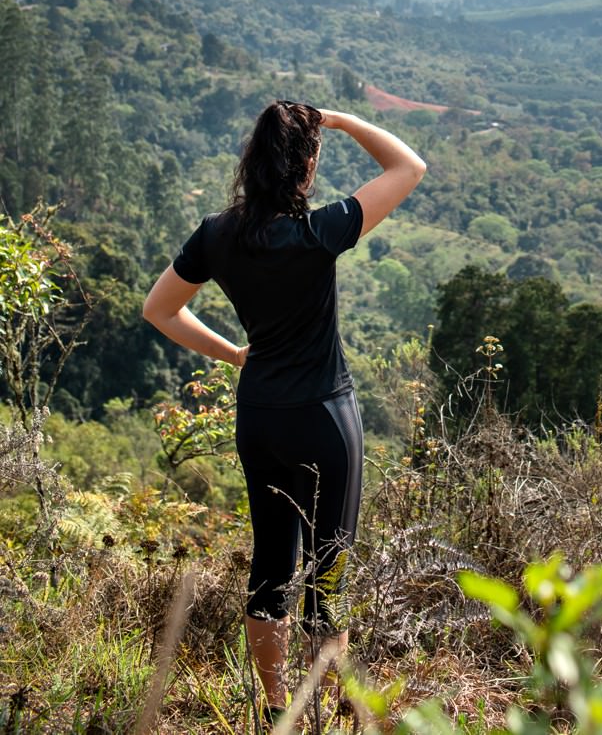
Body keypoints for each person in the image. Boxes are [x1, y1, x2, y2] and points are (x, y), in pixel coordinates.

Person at [142, 100, 426, 725]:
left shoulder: (217, 234)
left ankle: (278, 711)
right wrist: (345, 121)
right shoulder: (317, 232)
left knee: (272, 564)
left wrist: (234, 354)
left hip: (260, 416)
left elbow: (160, 310)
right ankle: (344, 710)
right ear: (306, 163)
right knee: (331, 570)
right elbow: (408, 166)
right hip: (325, 415)